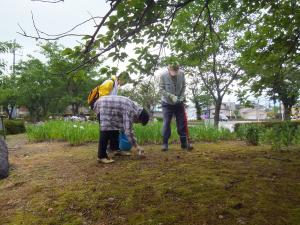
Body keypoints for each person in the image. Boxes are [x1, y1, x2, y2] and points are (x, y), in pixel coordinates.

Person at [93, 95, 150, 164]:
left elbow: (124, 125)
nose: (136, 123)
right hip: (103, 105)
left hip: (107, 105)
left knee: (114, 126)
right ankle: (101, 156)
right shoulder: (131, 111)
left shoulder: (135, 108)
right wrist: (137, 146)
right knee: (106, 129)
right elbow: (128, 130)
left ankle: (115, 149)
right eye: (139, 122)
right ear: (139, 118)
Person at [159, 62, 193, 151]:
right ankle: (165, 143)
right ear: (169, 69)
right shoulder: (163, 75)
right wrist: (171, 96)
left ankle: (184, 143)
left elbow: (184, 86)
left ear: (178, 69)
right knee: (166, 122)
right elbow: (161, 90)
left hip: (179, 102)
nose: (174, 73)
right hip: (167, 103)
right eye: (173, 71)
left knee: (181, 122)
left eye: (176, 71)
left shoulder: (181, 74)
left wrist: (181, 96)